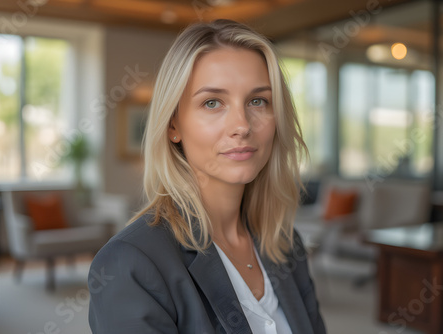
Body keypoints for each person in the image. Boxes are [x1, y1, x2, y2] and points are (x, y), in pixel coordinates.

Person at [88, 19, 326, 334]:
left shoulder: (285, 243)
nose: (242, 125)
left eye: (258, 101)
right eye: (212, 103)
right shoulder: (129, 264)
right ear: (173, 126)